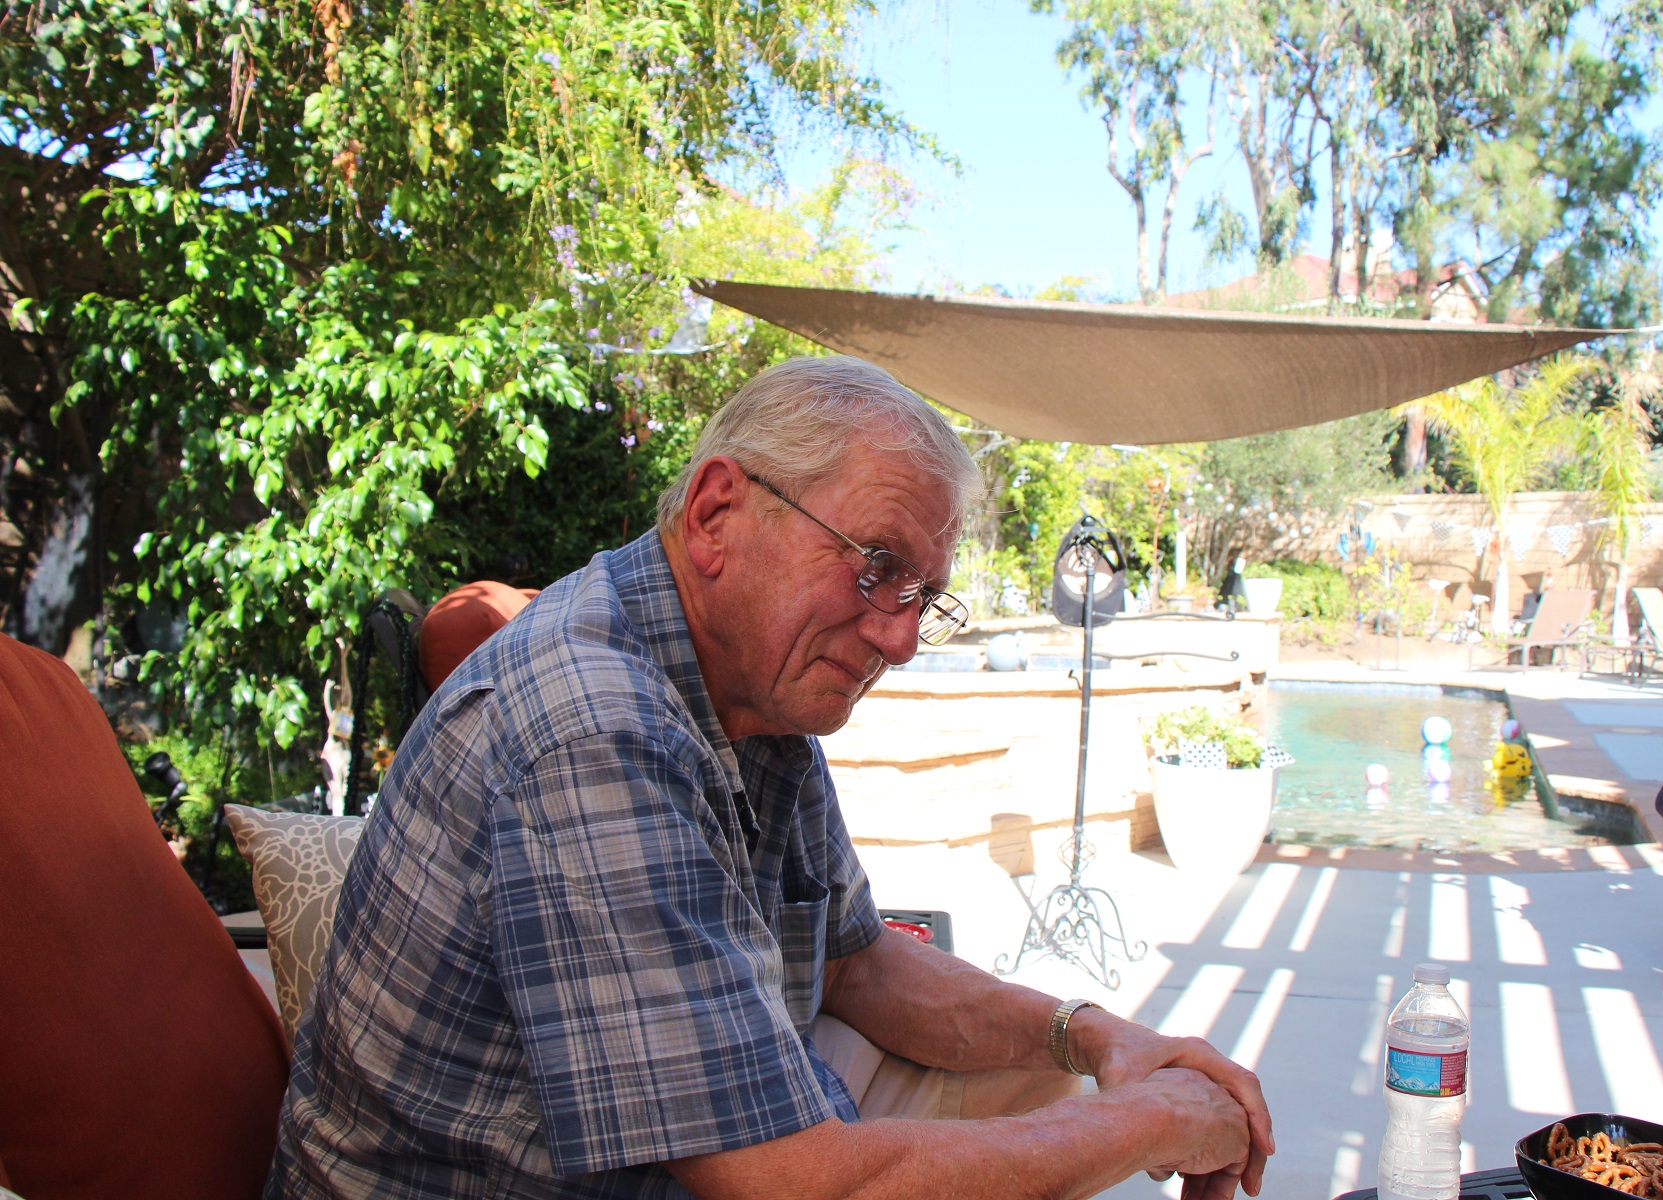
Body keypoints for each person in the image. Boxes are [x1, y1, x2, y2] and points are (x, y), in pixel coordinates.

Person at [269, 355, 1274, 1200]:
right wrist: (1149, 1127)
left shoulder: (756, 690)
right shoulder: (593, 723)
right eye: (875, 566)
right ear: (716, 512)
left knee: (1044, 1086)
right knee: (1065, 1137)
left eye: (925, 596)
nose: (903, 637)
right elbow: (792, 1184)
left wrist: (1096, 1041)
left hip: (706, 1149)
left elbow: (859, 964)